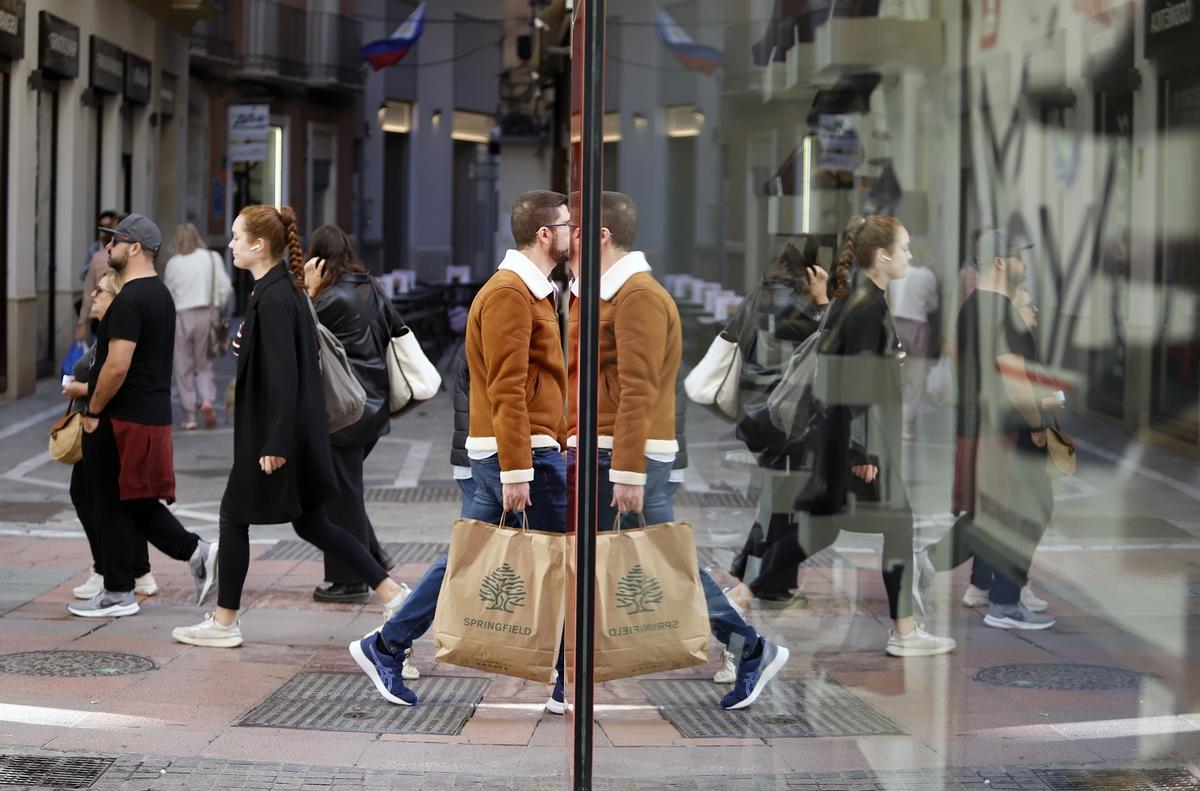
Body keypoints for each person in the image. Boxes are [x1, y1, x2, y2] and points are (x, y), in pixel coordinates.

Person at [566, 192, 790, 709]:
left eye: (572, 227)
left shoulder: (637, 295)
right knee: (640, 565)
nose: (563, 237)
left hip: (624, 456)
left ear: (599, 235)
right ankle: (571, 671)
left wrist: (627, 469)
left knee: (665, 568)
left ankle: (750, 649)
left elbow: (639, 388)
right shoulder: (603, 292)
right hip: (608, 450)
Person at [349, 190, 571, 709]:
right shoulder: (510, 294)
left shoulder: (530, 290)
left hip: (520, 451)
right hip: (520, 455)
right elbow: (506, 387)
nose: (571, 233)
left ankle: (387, 644)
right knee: (562, 558)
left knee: (476, 559)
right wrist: (519, 468)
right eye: (565, 224)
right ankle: (566, 676)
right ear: (544, 234)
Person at [172, 206, 410, 648]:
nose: (231, 245)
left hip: (276, 438)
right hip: (292, 435)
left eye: (237, 238)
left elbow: (286, 375)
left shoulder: (277, 295)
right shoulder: (280, 290)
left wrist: (276, 441)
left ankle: (225, 623)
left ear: (259, 245)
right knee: (312, 524)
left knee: (232, 516)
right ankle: (391, 593)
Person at [771, 215, 957, 656]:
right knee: (875, 528)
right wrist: (863, 450)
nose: (910, 256)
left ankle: (746, 591)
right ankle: (904, 633)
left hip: (862, 444)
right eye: (905, 248)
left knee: (827, 531)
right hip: (861, 447)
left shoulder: (867, 298)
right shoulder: (865, 304)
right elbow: (848, 383)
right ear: (884, 255)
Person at [68, 214, 218, 618]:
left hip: (122, 418)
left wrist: (95, 409)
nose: (108, 248)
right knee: (126, 500)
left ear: (134, 247)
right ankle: (189, 555)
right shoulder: (160, 295)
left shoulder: (131, 300)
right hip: (143, 415)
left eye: (114, 241)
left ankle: (123, 588)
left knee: (115, 503)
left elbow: (116, 366)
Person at [914, 231, 1056, 630]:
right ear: (999, 263)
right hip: (1005, 431)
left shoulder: (974, 306)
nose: (1023, 266)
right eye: (1018, 258)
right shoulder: (1001, 310)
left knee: (990, 513)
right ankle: (1004, 602)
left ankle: (983, 588)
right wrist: (1037, 424)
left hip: (980, 426)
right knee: (1026, 508)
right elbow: (1014, 379)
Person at [301, 225, 405, 604]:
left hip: (343, 409)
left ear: (318, 258)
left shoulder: (329, 300)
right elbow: (398, 329)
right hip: (374, 407)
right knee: (346, 491)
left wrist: (310, 293)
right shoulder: (371, 287)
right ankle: (374, 557)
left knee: (339, 497)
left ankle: (352, 578)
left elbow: (299, 332)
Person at [726, 238, 830, 607]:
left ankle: (766, 578)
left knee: (779, 499)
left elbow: (732, 334)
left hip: (755, 411)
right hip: (787, 414)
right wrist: (823, 301)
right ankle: (757, 578)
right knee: (785, 505)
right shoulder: (803, 300)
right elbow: (828, 342)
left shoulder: (760, 291)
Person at [66, 272, 156, 601]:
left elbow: (115, 377)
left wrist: (81, 391)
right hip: (113, 423)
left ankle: (107, 569)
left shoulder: (115, 335)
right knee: (123, 498)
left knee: (96, 495)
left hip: (106, 424)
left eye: (100, 291)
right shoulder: (106, 332)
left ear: (115, 297)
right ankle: (138, 570)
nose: (93, 296)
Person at [163, 223, 232, 430]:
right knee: (204, 364)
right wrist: (217, 304)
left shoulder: (173, 263)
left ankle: (190, 416)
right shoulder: (211, 258)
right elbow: (226, 287)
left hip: (181, 315)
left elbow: (168, 292)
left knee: (183, 367)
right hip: (207, 313)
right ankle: (208, 400)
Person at [887, 251, 939, 440]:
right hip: (917, 326)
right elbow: (933, 305)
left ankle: (892, 420)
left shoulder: (896, 273)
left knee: (896, 376)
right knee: (914, 380)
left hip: (896, 325)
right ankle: (906, 426)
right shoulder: (927, 276)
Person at [77, 211, 121, 342]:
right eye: (102, 227)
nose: (105, 232)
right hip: (100, 314)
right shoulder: (94, 251)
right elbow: (88, 286)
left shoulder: (124, 257)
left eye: (108, 227)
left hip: (114, 313)